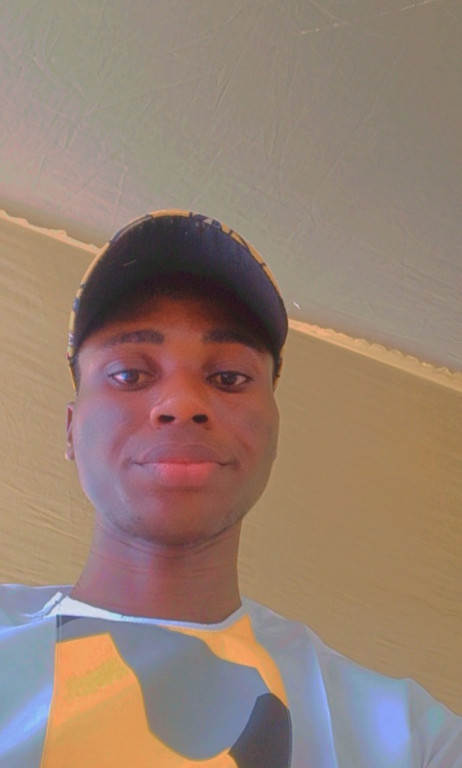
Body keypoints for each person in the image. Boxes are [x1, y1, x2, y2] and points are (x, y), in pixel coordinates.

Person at [0, 210, 460, 767]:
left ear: (274, 434)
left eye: (228, 378)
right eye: (130, 374)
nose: (182, 404)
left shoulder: (407, 740)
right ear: (71, 430)